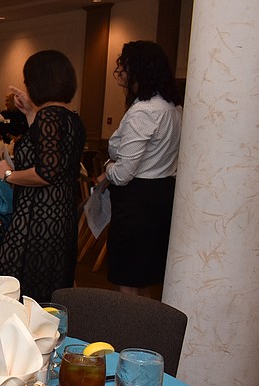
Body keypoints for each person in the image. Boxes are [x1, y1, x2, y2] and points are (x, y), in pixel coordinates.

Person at [0, 50, 86, 303]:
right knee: (47, 297)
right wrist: (29, 113)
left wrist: (8, 174)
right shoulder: (71, 119)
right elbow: (48, 151)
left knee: (17, 297)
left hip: (36, 223)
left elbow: (45, 172)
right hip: (60, 220)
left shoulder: (48, 118)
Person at [98, 41, 182, 297]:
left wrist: (107, 167)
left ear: (138, 70)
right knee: (146, 278)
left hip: (138, 203)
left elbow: (123, 174)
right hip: (163, 197)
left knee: (128, 279)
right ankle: (145, 334)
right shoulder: (174, 108)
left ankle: (128, 334)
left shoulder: (143, 112)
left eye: (123, 66)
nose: (120, 72)